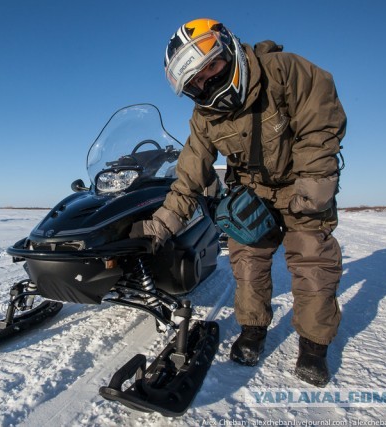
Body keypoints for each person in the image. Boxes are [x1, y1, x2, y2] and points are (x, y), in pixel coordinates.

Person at [131, 18, 346, 387]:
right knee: (247, 263)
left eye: (210, 68)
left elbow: (320, 124)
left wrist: (314, 183)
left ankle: (313, 346)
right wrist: (159, 225)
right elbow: (190, 176)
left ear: (228, 48)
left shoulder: (284, 70)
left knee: (312, 263)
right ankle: (253, 330)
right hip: (254, 194)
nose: (207, 83)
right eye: (195, 83)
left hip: (302, 185)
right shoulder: (204, 117)